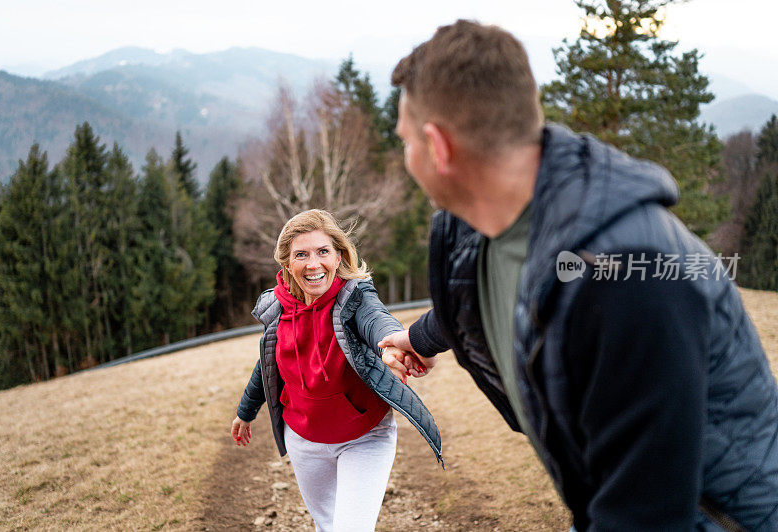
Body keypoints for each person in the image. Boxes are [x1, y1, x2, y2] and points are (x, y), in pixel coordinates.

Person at [378, 19, 778, 531]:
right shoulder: (483, 230)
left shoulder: (630, 275)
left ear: (437, 147)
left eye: (404, 141)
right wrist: (418, 338)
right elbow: (492, 297)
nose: (405, 155)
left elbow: (645, 516)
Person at [231, 209, 443, 532]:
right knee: (328, 526)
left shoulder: (355, 297)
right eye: (301, 254)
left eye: (323, 252)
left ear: (338, 255)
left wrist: (392, 344)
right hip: (304, 441)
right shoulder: (278, 308)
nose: (313, 264)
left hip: (364, 437)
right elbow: (268, 366)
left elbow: (376, 320)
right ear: (288, 264)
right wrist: (245, 412)